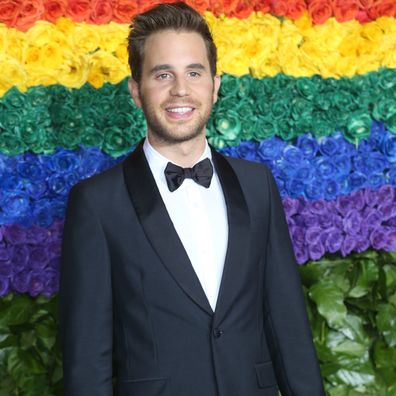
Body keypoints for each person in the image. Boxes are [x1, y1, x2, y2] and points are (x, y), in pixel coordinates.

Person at [59, 3, 325, 396]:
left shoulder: (258, 185)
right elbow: (87, 362)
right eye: (162, 74)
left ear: (215, 86)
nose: (180, 89)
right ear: (136, 90)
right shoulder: (97, 204)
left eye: (194, 73)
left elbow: (288, 325)